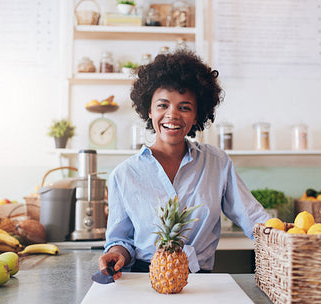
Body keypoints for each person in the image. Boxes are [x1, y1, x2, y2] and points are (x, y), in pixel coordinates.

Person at [99, 49, 270, 280]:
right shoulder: (124, 174)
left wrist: (288, 234)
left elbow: (252, 217)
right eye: (163, 105)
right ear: (149, 110)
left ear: (197, 115)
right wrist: (116, 253)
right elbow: (121, 240)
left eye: (185, 107)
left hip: (201, 279)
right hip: (144, 278)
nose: (173, 115)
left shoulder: (217, 163)